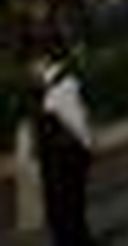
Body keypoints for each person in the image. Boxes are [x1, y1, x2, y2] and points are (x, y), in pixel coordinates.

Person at [31, 38, 96, 246]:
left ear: (45, 60)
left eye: (34, 63)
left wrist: (87, 145)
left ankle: (76, 240)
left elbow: (77, 119)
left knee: (70, 202)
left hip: (67, 155)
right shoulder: (46, 86)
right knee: (64, 204)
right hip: (57, 156)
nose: (31, 69)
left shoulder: (64, 85)